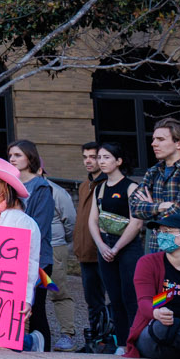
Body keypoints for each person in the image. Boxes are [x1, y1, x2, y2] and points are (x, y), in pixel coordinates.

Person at [0, 155, 44, 350]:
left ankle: (32, 341)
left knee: (8, 340)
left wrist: (27, 299)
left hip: (8, 289)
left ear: (5, 186)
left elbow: (29, 263)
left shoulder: (22, 222)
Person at [125, 211, 180, 359]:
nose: (161, 235)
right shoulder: (148, 263)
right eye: (159, 231)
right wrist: (156, 313)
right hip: (157, 339)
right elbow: (144, 302)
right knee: (164, 326)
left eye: (167, 231)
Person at [89, 140, 145, 352]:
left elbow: (136, 222)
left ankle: (137, 342)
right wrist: (102, 246)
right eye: (99, 157)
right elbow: (92, 220)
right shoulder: (100, 188)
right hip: (106, 246)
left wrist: (117, 247)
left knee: (131, 295)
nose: (101, 162)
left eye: (106, 157)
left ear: (118, 161)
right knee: (114, 297)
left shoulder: (131, 187)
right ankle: (122, 343)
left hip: (128, 247)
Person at [6, 139, 55, 348]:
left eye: (17, 155)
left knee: (36, 308)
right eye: (10, 156)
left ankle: (44, 351)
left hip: (38, 259)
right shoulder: (10, 186)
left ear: (30, 157)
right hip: (12, 256)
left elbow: (40, 227)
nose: (12, 159)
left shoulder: (41, 187)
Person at [131, 118, 180, 252]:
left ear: (178, 144)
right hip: (157, 249)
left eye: (160, 139)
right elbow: (134, 208)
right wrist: (160, 206)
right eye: (153, 139)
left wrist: (150, 210)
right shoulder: (153, 172)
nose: (153, 144)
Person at [71, 141, 106, 346]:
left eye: (93, 157)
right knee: (92, 301)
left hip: (102, 250)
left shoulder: (106, 184)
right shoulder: (85, 185)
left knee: (111, 300)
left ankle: (109, 339)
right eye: (85, 157)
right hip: (85, 253)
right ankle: (95, 338)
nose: (89, 161)